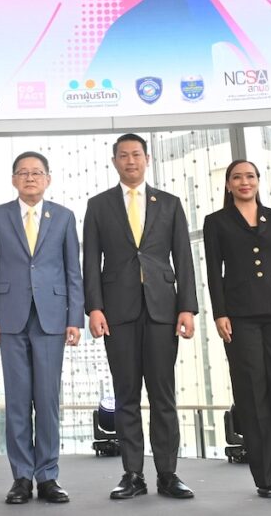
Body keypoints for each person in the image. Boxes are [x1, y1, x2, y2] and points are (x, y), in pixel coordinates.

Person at [83, 134, 197, 500]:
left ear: (147, 159)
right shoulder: (98, 205)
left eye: (136, 154)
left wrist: (187, 307)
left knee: (163, 395)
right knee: (126, 395)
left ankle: (168, 474)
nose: (130, 160)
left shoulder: (170, 203)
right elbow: (91, 261)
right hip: (117, 311)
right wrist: (94, 307)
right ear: (114, 161)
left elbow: (183, 257)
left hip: (163, 310)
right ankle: (132, 474)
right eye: (123, 155)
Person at [0, 151, 83, 504]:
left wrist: (75, 318)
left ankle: (48, 476)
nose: (29, 178)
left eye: (36, 172)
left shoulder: (64, 217)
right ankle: (22, 477)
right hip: (10, 318)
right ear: (13, 180)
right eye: (23, 173)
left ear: (48, 179)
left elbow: (73, 272)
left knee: (48, 400)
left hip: (52, 318)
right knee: (18, 401)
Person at [203, 160, 271, 498]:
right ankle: (264, 477)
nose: (244, 182)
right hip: (240, 315)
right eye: (237, 177)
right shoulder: (216, 222)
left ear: (259, 181)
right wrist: (220, 313)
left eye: (250, 176)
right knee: (251, 391)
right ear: (228, 185)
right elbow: (214, 272)